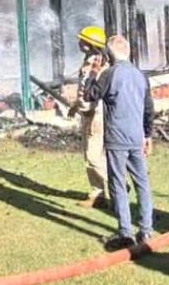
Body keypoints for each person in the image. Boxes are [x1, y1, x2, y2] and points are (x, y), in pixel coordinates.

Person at [83, 34, 155, 251]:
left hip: (116, 138)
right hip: (136, 137)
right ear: (128, 51)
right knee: (142, 182)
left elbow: (89, 95)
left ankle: (126, 232)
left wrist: (93, 73)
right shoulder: (140, 75)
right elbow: (149, 108)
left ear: (109, 54)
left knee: (118, 184)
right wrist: (148, 135)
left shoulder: (109, 74)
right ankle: (146, 230)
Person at [67, 25, 109, 209]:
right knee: (87, 155)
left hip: (95, 115)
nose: (79, 42)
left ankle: (118, 185)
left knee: (93, 156)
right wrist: (76, 106)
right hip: (87, 113)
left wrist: (84, 107)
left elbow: (94, 92)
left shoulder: (97, 64)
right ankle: (97, 194)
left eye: (82, 40)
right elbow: (84, 89)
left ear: (90, 44)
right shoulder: (90, 61)